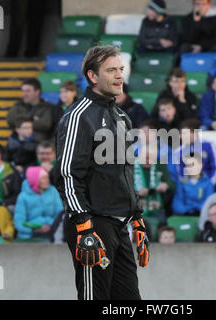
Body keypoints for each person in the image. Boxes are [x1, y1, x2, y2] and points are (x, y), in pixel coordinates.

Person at [56, 46, 148, 300]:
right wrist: (84, 226)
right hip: (92, 223)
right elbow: (67, 174)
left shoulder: (123, 118)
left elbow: (127, 175)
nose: (120, 76)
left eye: (121, 69)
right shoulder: (77, 116)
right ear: (92, 76)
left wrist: (137, 220)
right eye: (111, 70)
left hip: (120, 225)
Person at [170, 119, 216, 189]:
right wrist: (188, 188)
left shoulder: (209, 145)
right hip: (188, 189)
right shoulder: (178, 152)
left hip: (208, 186)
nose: (182, 137)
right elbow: (179, 173)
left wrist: (210, 184)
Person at [14, 166, 63, 240]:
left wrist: (50, 226)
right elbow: (19, 222)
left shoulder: (53, 191)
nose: (48, 180)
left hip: (51, 231)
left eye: (47, 177)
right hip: (29, 235)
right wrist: (34, 230)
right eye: (44, 178)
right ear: (35, 180)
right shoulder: (23, 197)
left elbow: (59, 214)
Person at [134, 146, 175, 224]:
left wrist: (166, 185)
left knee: (162, 222)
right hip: (136, 208)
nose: (148, 160)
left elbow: (172, 185)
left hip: (156, 207)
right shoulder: (130, 166)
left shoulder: (160, 166)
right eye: (145, 157)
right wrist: (136, 193)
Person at [7, 78, 55, 143]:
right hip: (18, 143)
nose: (24, 94)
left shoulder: (47, 107)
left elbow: (46, 124)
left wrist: (21, 123)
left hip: (39, 144)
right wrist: (32, 118)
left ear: (37, 92)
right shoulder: (18, 105)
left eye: (27, 91)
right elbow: (10, 120)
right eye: (23, 91)